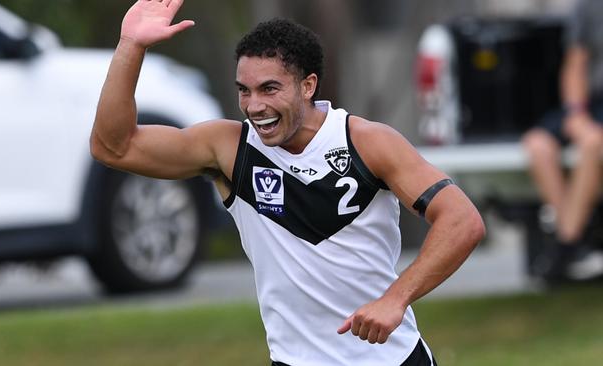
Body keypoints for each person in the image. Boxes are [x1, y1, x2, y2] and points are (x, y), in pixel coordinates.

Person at [90, 1, 485, 364]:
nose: (254, 106)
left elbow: (462, 220)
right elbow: (114, 147)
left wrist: (395, 299)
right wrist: (131, 46)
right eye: (244, 90)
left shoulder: (367, 142)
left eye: (269, 88)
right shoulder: (228, 149)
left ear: (308, 86)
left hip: (392, 360)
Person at [522, 0, 603, 282]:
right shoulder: (589, 7)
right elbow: (575, 64)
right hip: (592, 103)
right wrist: (576, 112)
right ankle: (571, 244)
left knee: (593, 143)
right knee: (537, 144)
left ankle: (564, 247)